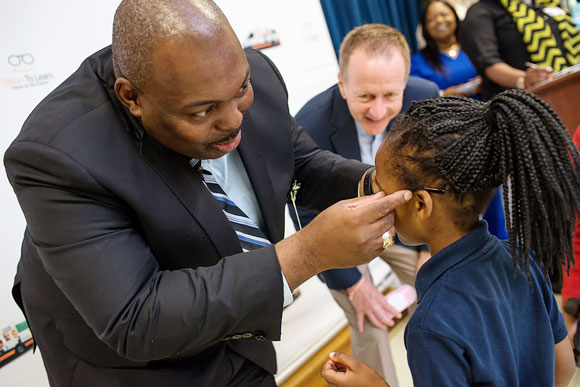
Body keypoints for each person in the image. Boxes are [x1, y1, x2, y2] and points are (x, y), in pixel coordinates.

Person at [3, 1, 413, 386]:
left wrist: (380, 184)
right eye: (202, 112)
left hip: (238, 328)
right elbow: (137, 317)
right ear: (133, 98)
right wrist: (307, 253)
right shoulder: (58, 155)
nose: (235, 121)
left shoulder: (249, 78)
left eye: (241, 92)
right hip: (136, 367)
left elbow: (298, 163)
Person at [320, 89, 579, 386]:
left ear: (420, 204)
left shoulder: (430, 325)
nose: (375, 195)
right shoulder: (523, 260)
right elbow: (563, 367)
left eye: (381, 186)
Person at [289, 24, 439, 386]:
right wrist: (356, 285)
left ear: (406, 82)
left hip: (408, 226)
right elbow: (307, 211)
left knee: (441, 294)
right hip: (341, 228)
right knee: (368, 320)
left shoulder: (428, 98)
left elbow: (435, 178)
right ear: (342, 84)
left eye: (391, 94)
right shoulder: (308, 125)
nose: (380, 110)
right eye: (366, 97)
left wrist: (432, 248)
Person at [460, 0, 580, 101]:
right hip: (521, 103)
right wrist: (524, 79)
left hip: (571, 89)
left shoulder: (546, 3)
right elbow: (488, 63)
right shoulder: (482, 11)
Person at [411, 0, 481, 98]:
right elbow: (415, 96)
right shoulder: (416, 62)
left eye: (444, 14)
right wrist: (444, 94)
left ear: (455, 18)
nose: (439, 20)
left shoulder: (476, 47)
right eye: (431, 19)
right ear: (425, 27)